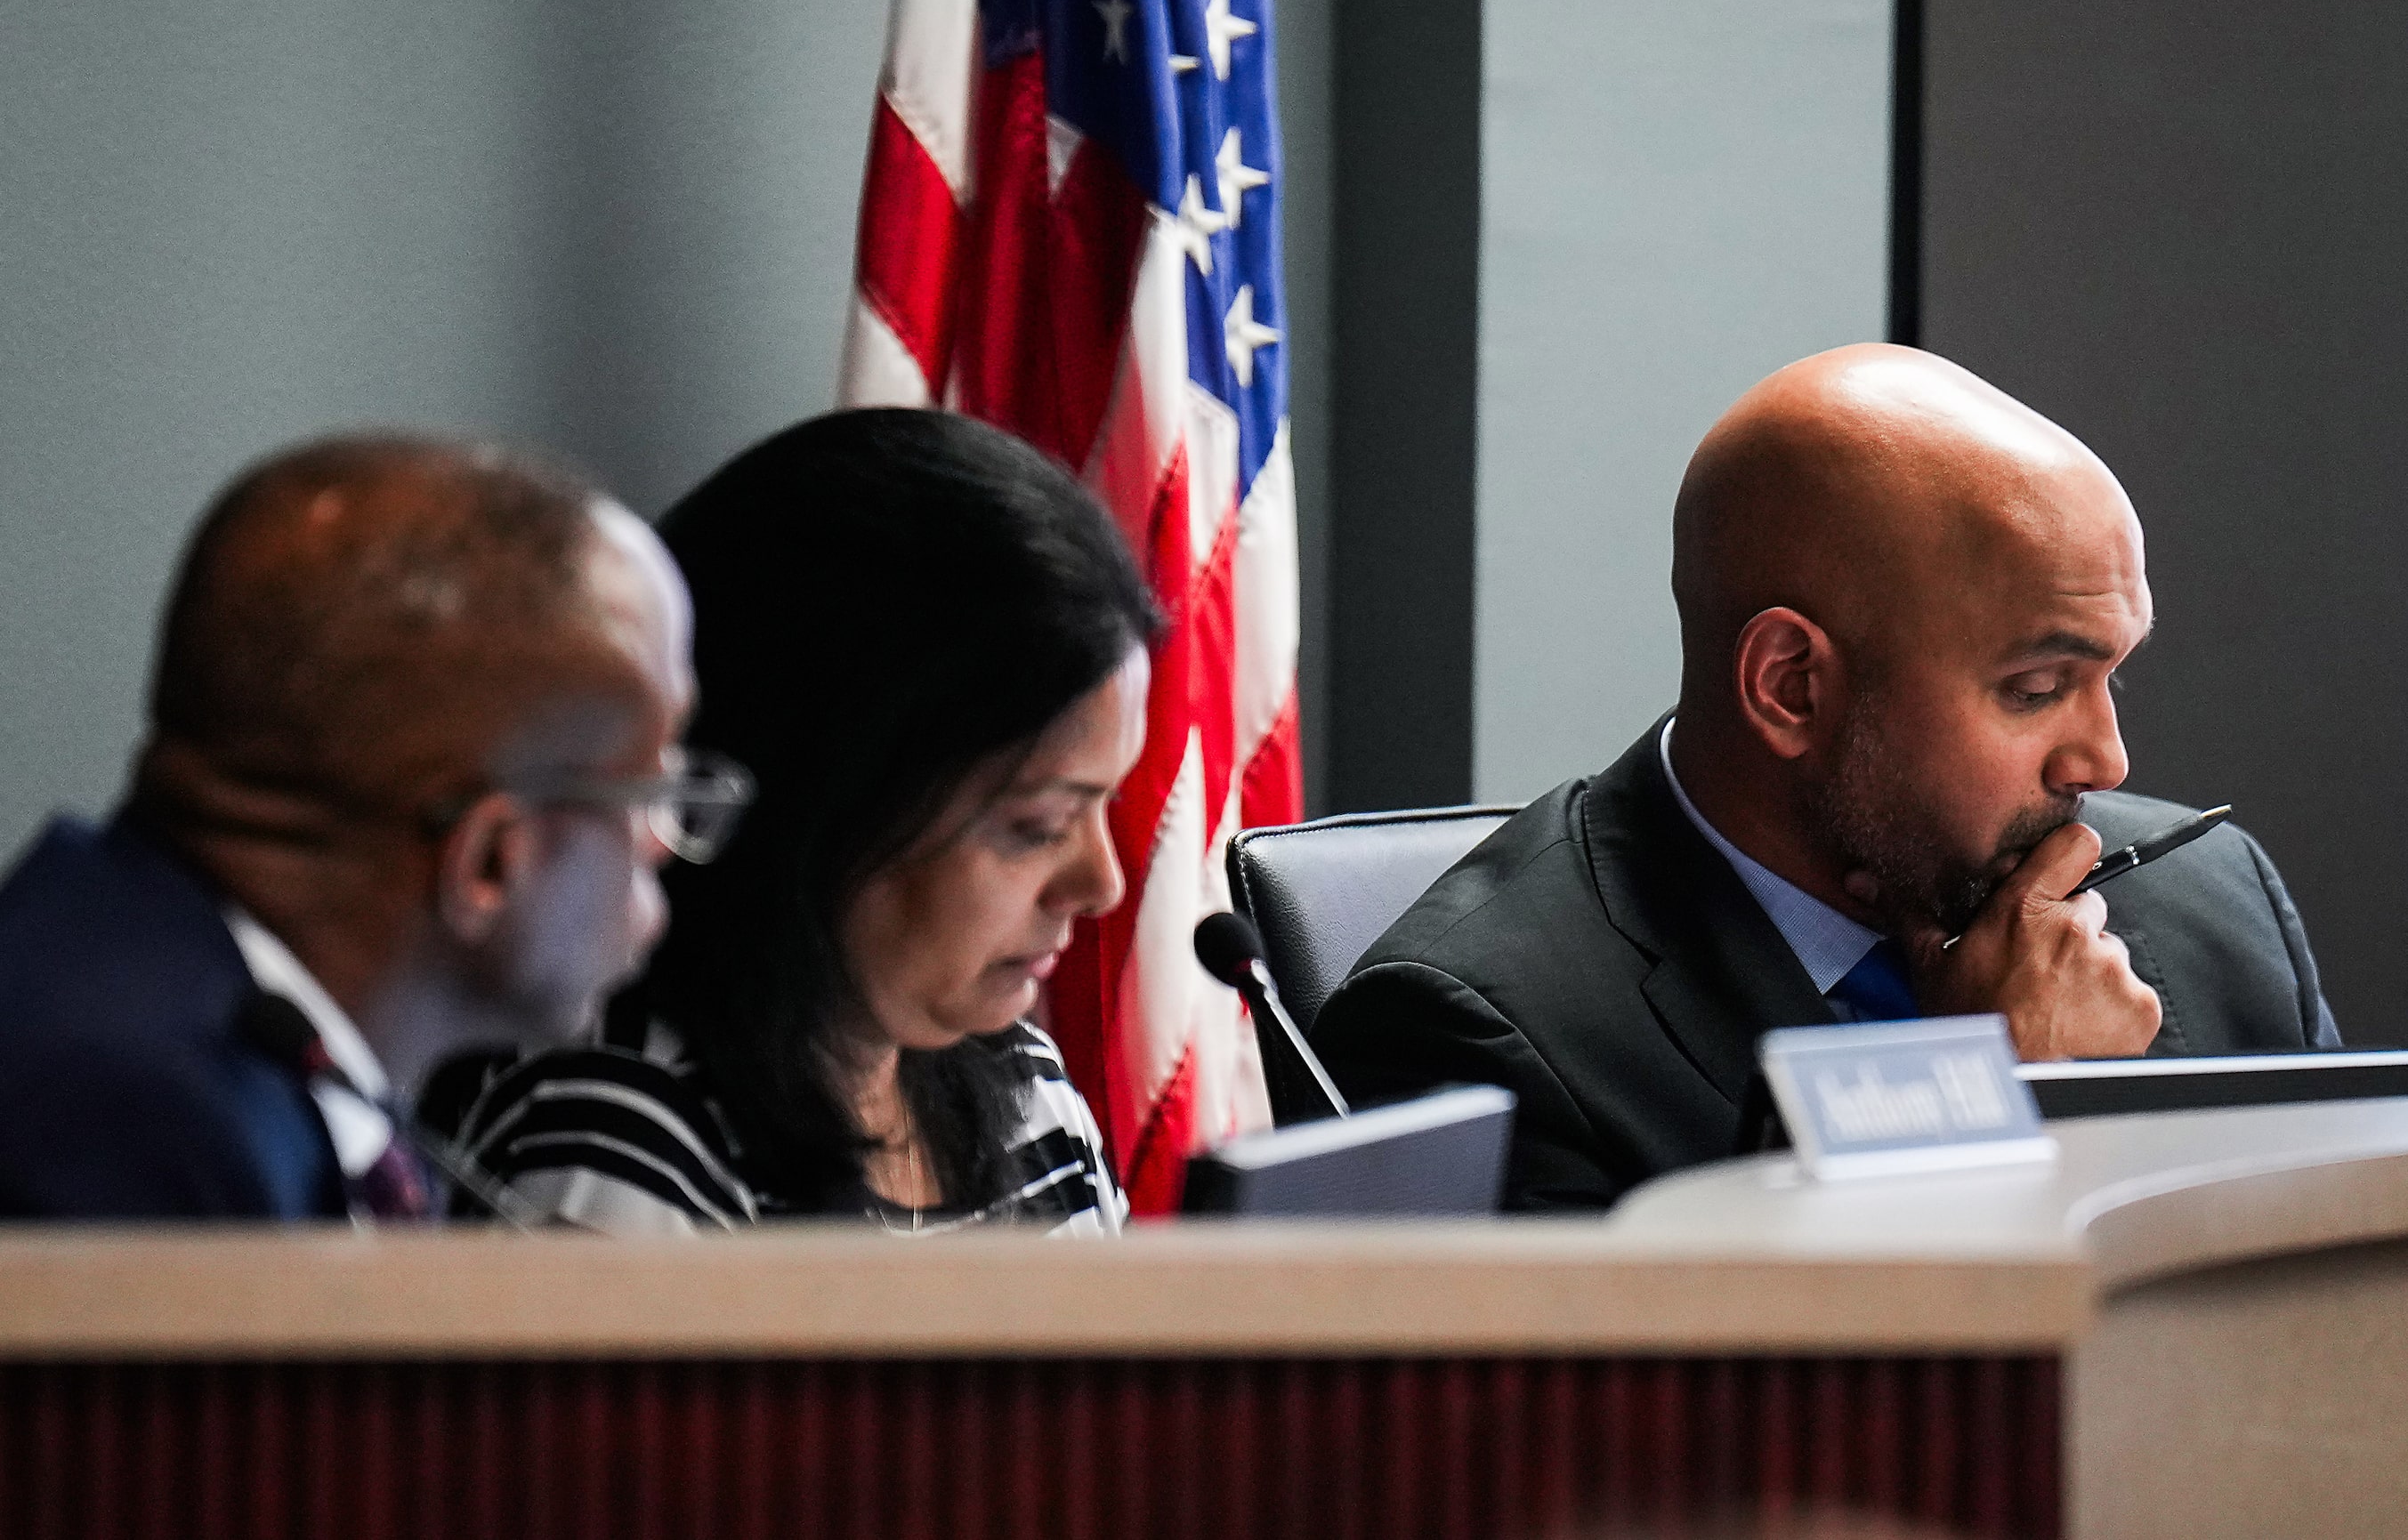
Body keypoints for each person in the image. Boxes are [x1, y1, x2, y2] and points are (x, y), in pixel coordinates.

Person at [1313, 344, 2339, 1211]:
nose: (2105, 762)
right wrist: (2002, 1098)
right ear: (1790, 687)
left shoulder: (2216, 908)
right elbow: (1715, 1448)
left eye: (2112, 675)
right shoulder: (1481, 1038)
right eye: (2036, 687)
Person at [0, 434, 724, 1220]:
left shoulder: (175, 1011)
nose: (662, 839)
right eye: (647, 782)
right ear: (488, 862)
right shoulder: (135, 1132)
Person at [443, 408, 1148, 1236]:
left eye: (1104, 806)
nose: (1101, 884)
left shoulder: (1026, 1095)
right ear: (823, 800)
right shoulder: (618, 1144)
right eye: (1037, 826)